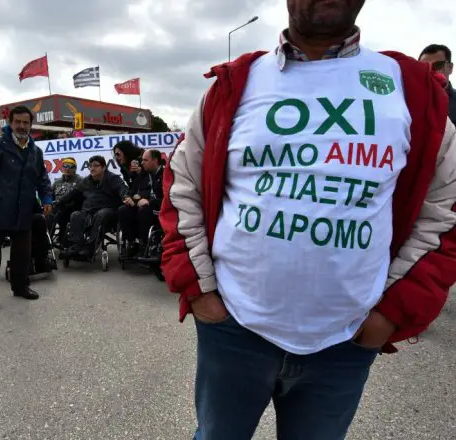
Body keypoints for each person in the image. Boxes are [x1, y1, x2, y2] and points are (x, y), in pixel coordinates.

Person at [159, 1, 456, 439]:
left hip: (345, 342)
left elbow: (445, 208)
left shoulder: (411, 90)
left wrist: (390, 316)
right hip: (233, 330)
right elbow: (181, 185)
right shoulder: (235, 84)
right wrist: (200, 293)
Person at [0, 106, 53, 306]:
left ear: (30, 125)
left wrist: (47, 199)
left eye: (26, 123)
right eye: (18, 122)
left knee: (22, 253)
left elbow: (42, 178)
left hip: (24, 211)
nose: (22, 126)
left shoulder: (35, 151)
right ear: (10, 123)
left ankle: (20, 287)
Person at [57, 155, 130, 260]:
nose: (92, 168)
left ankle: (90, 247)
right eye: (90, 166)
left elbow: (122, 188)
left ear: (104, 167)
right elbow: (73, 192)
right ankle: (76, 246)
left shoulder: (112, 178)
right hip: (89, 211)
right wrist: (59, 201)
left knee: (101, 214)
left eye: (96, 166)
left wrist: (125, 196)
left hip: (108, 211)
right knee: (75, 215)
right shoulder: (87, 180)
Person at [117, 149, 164, 256]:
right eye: (142, 160)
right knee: (123, 210)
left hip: (159, 208)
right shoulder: (142, 175)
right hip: (142, 206)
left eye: (145, 160)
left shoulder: (165, 175)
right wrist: (131, 200)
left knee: (145, 211)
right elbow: (133, 192)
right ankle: (132, 243)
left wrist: (149, 201)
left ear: (155, 161)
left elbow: (169, 197)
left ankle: (145, 244)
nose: (142, 163)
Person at [419, 44, 456, 124]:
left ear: (450, 67)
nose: (430, 71)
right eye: (424, 66)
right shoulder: (408, 102)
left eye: (438, 65)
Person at [48, 157, 83, 241]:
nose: (67, 168)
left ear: (75, 169)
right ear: (62, 168)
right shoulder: (57, 182)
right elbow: (50, 195)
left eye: (71, 166)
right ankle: (46, 240)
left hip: (73, 208)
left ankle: (65, 238)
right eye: (65, 166)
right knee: (48, 215)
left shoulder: (80, 180)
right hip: (57, 207)